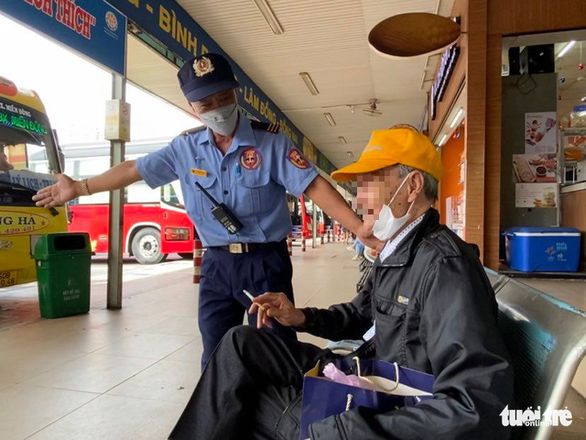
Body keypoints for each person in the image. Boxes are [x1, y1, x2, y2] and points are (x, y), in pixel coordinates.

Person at [32, 53, 378, 368]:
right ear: (191, 105)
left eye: (225, 98)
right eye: (206, 102)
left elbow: (312, 184)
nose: (218, 108)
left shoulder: (270, 142)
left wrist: (357, 227)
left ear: (236, 92)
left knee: (276, 347)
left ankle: (280, 420)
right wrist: (78, 188)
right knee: (215, 349)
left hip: (264, 262)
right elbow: (132, 169)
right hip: (216, 265)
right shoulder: (184, 148)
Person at [169, 126, 513, 440]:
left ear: (412, 187)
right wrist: (300, 317)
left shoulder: (444, 268)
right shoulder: (398, 251)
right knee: (241, 342)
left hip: (384, 409)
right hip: (366, 377)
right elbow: (359, 314)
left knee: (241, 398)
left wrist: (345, 431)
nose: (359, 199)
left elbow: (474, 406)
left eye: (369, 183)